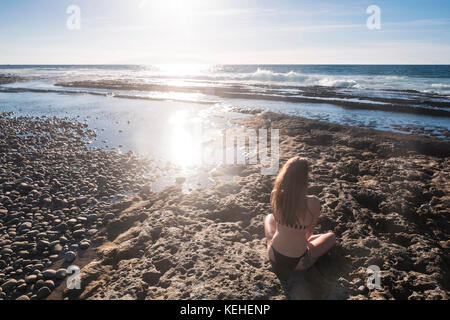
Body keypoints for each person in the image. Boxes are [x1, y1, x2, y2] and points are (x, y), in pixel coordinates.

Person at [264, 156, 336, 280]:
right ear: (304, 179)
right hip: (299, 262)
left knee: (269, 218)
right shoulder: (313, 202)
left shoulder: (274, 194)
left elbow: (276, 218)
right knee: (331, 237)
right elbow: (308, 234)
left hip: (274, 255)